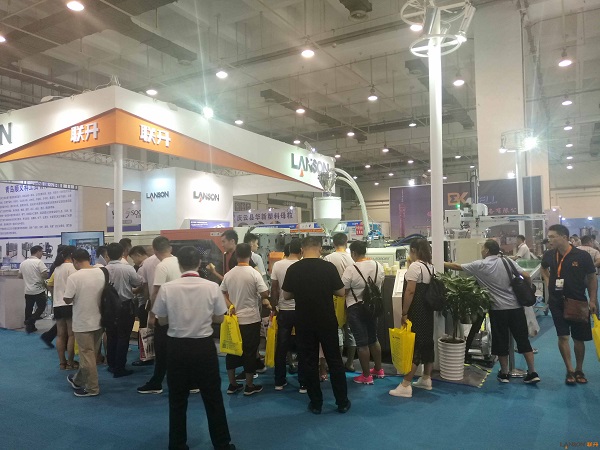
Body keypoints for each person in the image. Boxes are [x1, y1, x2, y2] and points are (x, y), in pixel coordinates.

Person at [153, 246, 235, 450]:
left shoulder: (167, 288)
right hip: (203, 347)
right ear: (199, 263)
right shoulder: (211, 287)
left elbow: (161, 320)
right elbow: (219, 318)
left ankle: (177, 444)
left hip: (177, 347)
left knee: (177, 399)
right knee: (213, 397)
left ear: (179, 264)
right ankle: (222, 444)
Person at [445, 239, 540, 384]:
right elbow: (526, 275)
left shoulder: (480, 265)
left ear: (487, 250)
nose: (481, 250)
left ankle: (504, 373)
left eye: (483, 248)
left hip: (498, 309)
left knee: (500, 341)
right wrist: (527, 288)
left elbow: (456, 266)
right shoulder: (507, 261)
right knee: (523, 340)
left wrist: (436, 262)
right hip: (516, 308)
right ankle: (532, 372)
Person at [282, 237, 351, 415]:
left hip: (304, 321)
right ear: (320, 248)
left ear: (302, 249)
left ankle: (316, 403)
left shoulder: (294, 268)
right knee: (334, 360)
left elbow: (286, 295)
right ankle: (342, 402)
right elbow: (341, 292)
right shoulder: (328, 267)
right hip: (327, 320)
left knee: (309, 361)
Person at [541, 224, 597, 385]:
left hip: (577, 301)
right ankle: (570, 370)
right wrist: (548, 281)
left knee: (579, 338)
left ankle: (579, 369)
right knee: (563, 336)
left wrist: (592, 300)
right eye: (549, 237)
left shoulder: (582, 256)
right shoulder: (549, 255)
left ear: (564, 237)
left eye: (552, 237)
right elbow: (543, 268)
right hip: (557, 302)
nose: (549, 240)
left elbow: (592, 278)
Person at [220, 243, 270, 396]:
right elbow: (265, 293)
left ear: (236, 255)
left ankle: (232, 384)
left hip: (233, 319)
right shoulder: (254, 273)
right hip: (251, 319)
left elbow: (221, 292)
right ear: (250, 255)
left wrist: (230, 305)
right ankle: (249, 385)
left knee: (231, 351)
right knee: (250, 351)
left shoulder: (229, 274)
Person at [389, 239, 436, 397]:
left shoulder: (416, 267)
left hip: (417, 310)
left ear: (414, 250)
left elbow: (410, 291)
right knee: (427, 343)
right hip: (427, 311)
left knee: (415, 345)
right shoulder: (430, 266)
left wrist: (404, 312)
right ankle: (426, 378)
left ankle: (405, 385)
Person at [138, 236, 182, 394]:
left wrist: (151, 315)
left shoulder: (162, 266)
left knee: (161, 349)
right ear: (170, 248)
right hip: (181, 313)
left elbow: (156, 292)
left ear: (155, 251)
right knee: (179, 349)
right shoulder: (180, 262)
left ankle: (157, 382)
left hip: (164, 315)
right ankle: (190, 382)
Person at [63, 248, 105, 397]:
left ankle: (92, 388)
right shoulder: (101, 272)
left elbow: (67, 299)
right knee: (90, 355)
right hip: (99, 320)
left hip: (83, 321)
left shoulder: (74, 277)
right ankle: (78, 380)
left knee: (87, 356)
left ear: (75, 260)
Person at [341, 241, 385, 385]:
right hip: (373, 307)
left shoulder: (351, 269)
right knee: (373, 339)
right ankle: (378, 369)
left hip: (356, 308)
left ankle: (366, 376)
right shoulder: (378, 265)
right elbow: (380, 284)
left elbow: (343, 291)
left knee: (362, 343)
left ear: (353, 253)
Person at [270, 239, 305, 391]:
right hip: (301, 310)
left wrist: (274, 307)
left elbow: (274, 289)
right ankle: (303, 383)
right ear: (301, 250)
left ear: (289, 250)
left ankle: (279, 381)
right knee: (303, 345)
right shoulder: (303, 265)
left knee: (282, 346)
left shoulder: (278, 265)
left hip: (283, 310)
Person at [105, 242, 142, 377]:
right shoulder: (128, 268)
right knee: (123, 337)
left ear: (108, 255)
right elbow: (138, 282)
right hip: (125, 306)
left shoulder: (103, 270)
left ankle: (111, 364)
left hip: (108, 308)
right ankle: (120, 367)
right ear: (122, 254)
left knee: (111, 336)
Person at [324, 233, 357, 372]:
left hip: (334, 298)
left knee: (336, 330)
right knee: (350, 331)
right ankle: (350, 363)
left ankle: (337, 362)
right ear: (346, 242)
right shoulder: (352, 259)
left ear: (333, 243)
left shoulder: (328, 258)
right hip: (350, 298)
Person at [47, 246, 78, 370]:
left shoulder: (57, 268)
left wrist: (55, 296)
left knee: (60, 335)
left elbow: (50, 284)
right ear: (72, 255)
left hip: (58, 304)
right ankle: (70, 362)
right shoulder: (72, 268)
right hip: (69, 304)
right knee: (71, 335)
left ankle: (62, 363)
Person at [132, 244, 161, 367]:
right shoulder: (162, 261)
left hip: (147, 303)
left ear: (138, 255)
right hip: (161, 304)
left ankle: (146, 356)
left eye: (133, 258)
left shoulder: (144, 266)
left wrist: (145, 302)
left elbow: (143, 286)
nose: (134, 261)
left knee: (144, 330)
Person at [18, 245, 49, 334]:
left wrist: (28, 277)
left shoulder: (23, 263)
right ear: (38, 252)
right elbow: (45, 274)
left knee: (28, 308)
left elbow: (19, 276)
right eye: (42, 252)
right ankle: (31, 320)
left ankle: (30, 327)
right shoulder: (39, 262)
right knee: (41, 307)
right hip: (38, 289)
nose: (42, 254)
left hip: (28, 290)